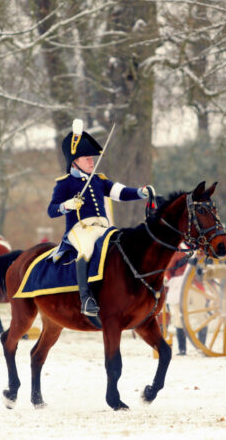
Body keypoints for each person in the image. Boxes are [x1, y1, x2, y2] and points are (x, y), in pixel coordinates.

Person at [47, 119, 154, 317]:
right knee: (86, 248)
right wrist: (67, 205)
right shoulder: (65, 183)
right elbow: (51, 210)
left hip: (103, 227)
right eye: (86, 157)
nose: (91, 161)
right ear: (75, 161)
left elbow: (120, 192)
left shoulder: (98, 180)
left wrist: (141, 192)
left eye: (91, 157)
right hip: (79, 230)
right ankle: (86, 298)